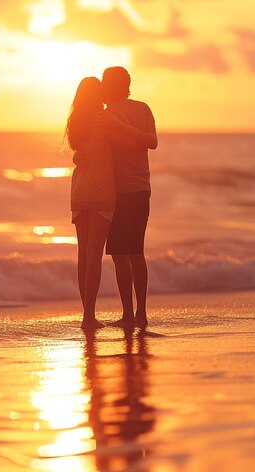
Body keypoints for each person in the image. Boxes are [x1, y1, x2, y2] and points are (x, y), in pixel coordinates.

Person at [97, 66, 158, 329]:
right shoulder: (131, 111)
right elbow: (145, 142)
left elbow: (150, 142)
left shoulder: (117, 114)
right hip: (139, 188)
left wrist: (118, 127)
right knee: (134, 253)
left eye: (104, 83)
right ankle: (137, 314)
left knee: (125, 254)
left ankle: (132, 315)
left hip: (125, 190)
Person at [67, 77, 120, 330]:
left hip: (79, 190)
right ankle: (89, 316)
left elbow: (78, 152)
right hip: (101, 190)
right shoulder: (103, 120)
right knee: (94, 255)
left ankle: (86, 314)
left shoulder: (75, 122)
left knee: (83, 255)